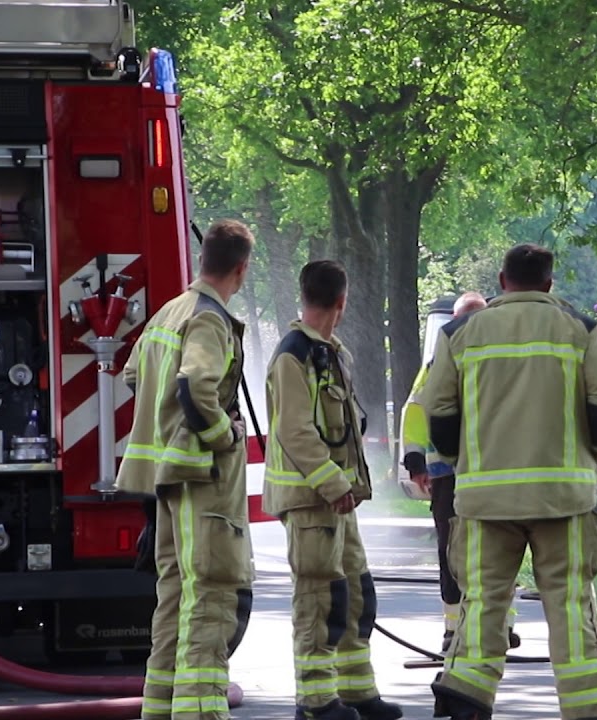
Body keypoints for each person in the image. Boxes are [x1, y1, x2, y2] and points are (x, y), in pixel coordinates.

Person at [421, 244, 597, 720]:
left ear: (501, 280)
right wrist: (593, 454)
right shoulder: (579, 328)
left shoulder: (459, 333)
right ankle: (591, 710)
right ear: (549, 283)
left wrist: (461, 459)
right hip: (565, 500)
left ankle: (465, 704)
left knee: (485, 606)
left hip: (484, 500)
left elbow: (438, 407)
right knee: (571, 609)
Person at [117, 219, 256, 720]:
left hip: (165, 482)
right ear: (240, 269)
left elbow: (135, 375)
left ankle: (160, 709)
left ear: (205, 261)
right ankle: (199, 712)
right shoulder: (208, 318)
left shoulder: (167, 312)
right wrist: (225, 434)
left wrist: (168, 430)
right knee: (212, 593)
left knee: (173, 596)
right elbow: (196, 385)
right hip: (202, 480)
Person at [262, 260, 403, 720]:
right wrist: (332, 483)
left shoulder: (331, 352)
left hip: (338, 502)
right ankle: (316, 702)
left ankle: (358, 692)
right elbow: (294, 430)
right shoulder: (293, 354)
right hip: (311, 502)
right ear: (341, 303)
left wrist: (346, 487)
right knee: (319, 601)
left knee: (356, 596)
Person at [401, 292, 522, 654]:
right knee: (453, 552)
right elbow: (416, 410)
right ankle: (454, 629)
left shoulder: (501, 357)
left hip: (488, 470)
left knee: (499, 550)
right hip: (452, 473)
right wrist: (416, 461)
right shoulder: (443, 357)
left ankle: (500, 626)